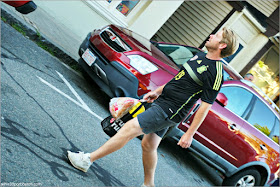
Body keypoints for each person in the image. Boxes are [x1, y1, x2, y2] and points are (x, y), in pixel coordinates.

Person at [67, 27, 239, 186]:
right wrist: (157, 91)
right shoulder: (199, 56)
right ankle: (149, 184)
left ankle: (87, 160)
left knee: (129, 128)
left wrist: (189, 133)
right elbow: (179, 79)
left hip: (171, 110)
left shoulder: (216, 73)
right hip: (162, 101)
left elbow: (206, 106)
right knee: (149, 146)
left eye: (216, 36)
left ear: (222, 45)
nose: (211, 35)